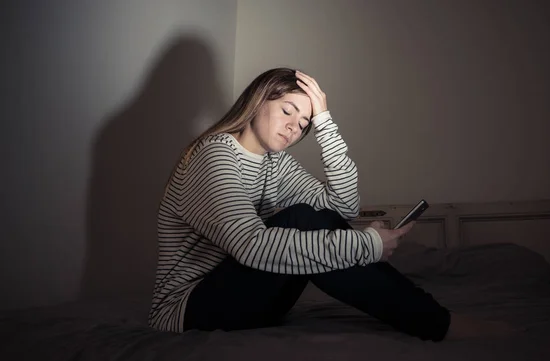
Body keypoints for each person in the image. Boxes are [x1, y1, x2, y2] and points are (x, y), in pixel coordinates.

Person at [148, 67, 509, 341]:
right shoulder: (215, 156)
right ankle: (435, 321)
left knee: (312, 216)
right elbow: (251, 247)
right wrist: (366, 246)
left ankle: (431, 315)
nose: (294, 127)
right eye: (288, 110)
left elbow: (342, 207)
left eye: (304, 122)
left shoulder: (277, 164)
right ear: (259, 100)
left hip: (249, 301)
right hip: (188, 310)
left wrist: (324, 122)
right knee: (302, 219)